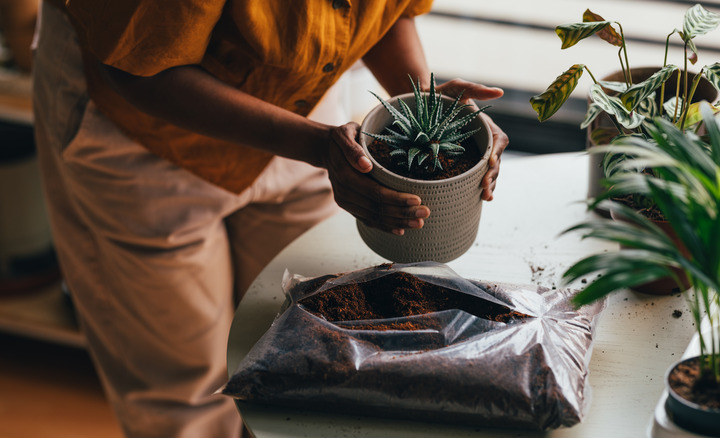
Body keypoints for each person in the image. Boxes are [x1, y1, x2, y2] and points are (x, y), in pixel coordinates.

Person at [32, 1, 509, 437]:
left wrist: (427, 111)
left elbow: (381, 11)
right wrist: (316, 147)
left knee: (309, 339)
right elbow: (138, 68)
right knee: (183, 395)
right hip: (141, 135)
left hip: (301, 101)